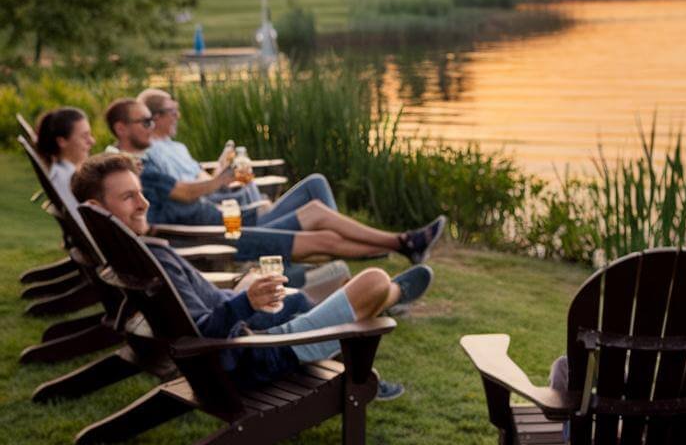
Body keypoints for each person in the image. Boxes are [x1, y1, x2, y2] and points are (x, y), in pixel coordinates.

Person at [71, 154, 432, 389]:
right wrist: (245, 301)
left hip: (243, 338)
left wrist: (242, 293)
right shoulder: (150, 260)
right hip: (254, 355)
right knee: (373, 281)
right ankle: (390, 296)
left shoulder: (131, 257)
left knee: (307, 296)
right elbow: (202, 333)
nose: (144, 203)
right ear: (95, 207)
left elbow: (197, 320)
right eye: (128, 197)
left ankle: (377, 312)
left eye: (140, 193)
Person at [104, 96, 447, 266]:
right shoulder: (138, 169)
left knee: (317, 213)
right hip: (220, 235)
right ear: (122, 129)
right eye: (144, 122)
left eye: (152, 121)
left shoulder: (137, 165)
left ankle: (402, 244)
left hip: (228, 223)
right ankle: (400, 244)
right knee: (319, 220)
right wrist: (226, 178)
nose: (151, 127)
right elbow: (187, 192)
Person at [35, 107, 96, 221]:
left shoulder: (65, 174)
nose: (92, 141)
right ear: (62, 142)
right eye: (84, 136)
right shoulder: (67, 180)